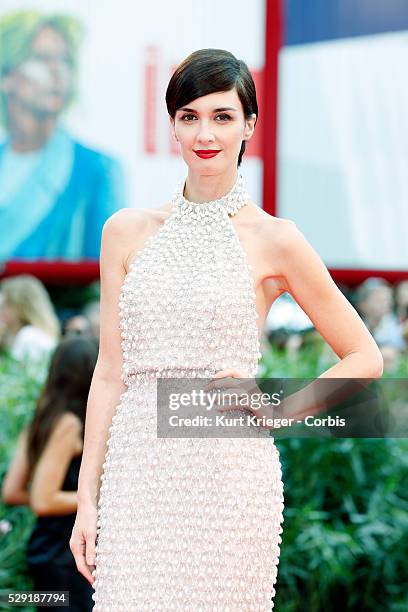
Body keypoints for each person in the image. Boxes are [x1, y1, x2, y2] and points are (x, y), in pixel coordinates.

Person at [69, 49, 383, 610]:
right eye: (189, 116)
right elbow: (110, 371)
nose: (205, 132)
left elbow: (364, 357)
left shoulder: (276, 238)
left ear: (249, 125)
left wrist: (279, 409)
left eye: (222, 116)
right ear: (172, 126)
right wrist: (86, 499)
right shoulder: (125, 232)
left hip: (228, 478)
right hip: (137, 474)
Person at [0, 10, 125, 261]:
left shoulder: (97, 170)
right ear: (6, 76)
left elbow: (104, 278)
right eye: (41, 58)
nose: (58, 72)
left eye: (65, 60)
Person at [2, 336, 98, 611]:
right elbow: (45, 500)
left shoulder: (43, 416)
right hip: (63, 553)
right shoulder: (68, 424)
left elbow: (12, 491)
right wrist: (94, 505)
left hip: (45, 548)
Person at [0, 274, 60, 361]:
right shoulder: (34, 334)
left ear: (19, 307)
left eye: (6, 304)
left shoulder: (30, 336)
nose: (1, 309)